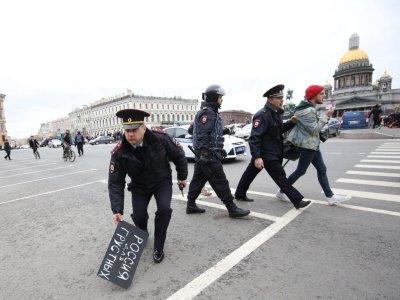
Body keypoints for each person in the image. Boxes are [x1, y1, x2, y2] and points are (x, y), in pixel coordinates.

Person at [108, 109, 188, 263]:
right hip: (139, 185)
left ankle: (159, 247)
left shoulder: (161, 139)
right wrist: (117, 210)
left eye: (134, 129)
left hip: (161, 181)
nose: (130, 134)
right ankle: (143, 233)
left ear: (144, 128)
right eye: (127, 130)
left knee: (164, 210)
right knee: (139, 216)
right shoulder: (119, 152)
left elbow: (179, 155)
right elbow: (115, 183)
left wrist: (182, 177)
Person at [186, 84, 250, 218]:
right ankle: (232, 208)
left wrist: (224, 131)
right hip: (208, 156)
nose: (222, 99)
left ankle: (190, 205)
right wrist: (205, 152)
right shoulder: (208, 113)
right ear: (214, 97)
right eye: (220, 97)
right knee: (220, 181)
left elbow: (193, 130)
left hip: (206, 155)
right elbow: (203, 133)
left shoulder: (207, 111)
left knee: (198, 180)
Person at [284, 85, 351, 205]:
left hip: (312, 145)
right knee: (301, 171)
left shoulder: (308, 108)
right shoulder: (309, 110)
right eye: (321, 93)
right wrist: (327, 116)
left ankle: (330, 196)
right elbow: (314, 130)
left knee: (321, 169)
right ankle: (283, 190)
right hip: (308, 146)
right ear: (313, 95)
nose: (324, 95)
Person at [246, 84, 310, 209]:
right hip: (267, 154)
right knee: (281, 177)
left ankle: (239, 193)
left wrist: (292, 122)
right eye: (279, 98)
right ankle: (297, 200)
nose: (282, 100)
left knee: (249, 174)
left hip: (273, 152)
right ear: (270, 100)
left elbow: (278, 130)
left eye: (283, 97)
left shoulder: (275, 114)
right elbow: (254, 137)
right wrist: (257, 156)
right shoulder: (262, 115)